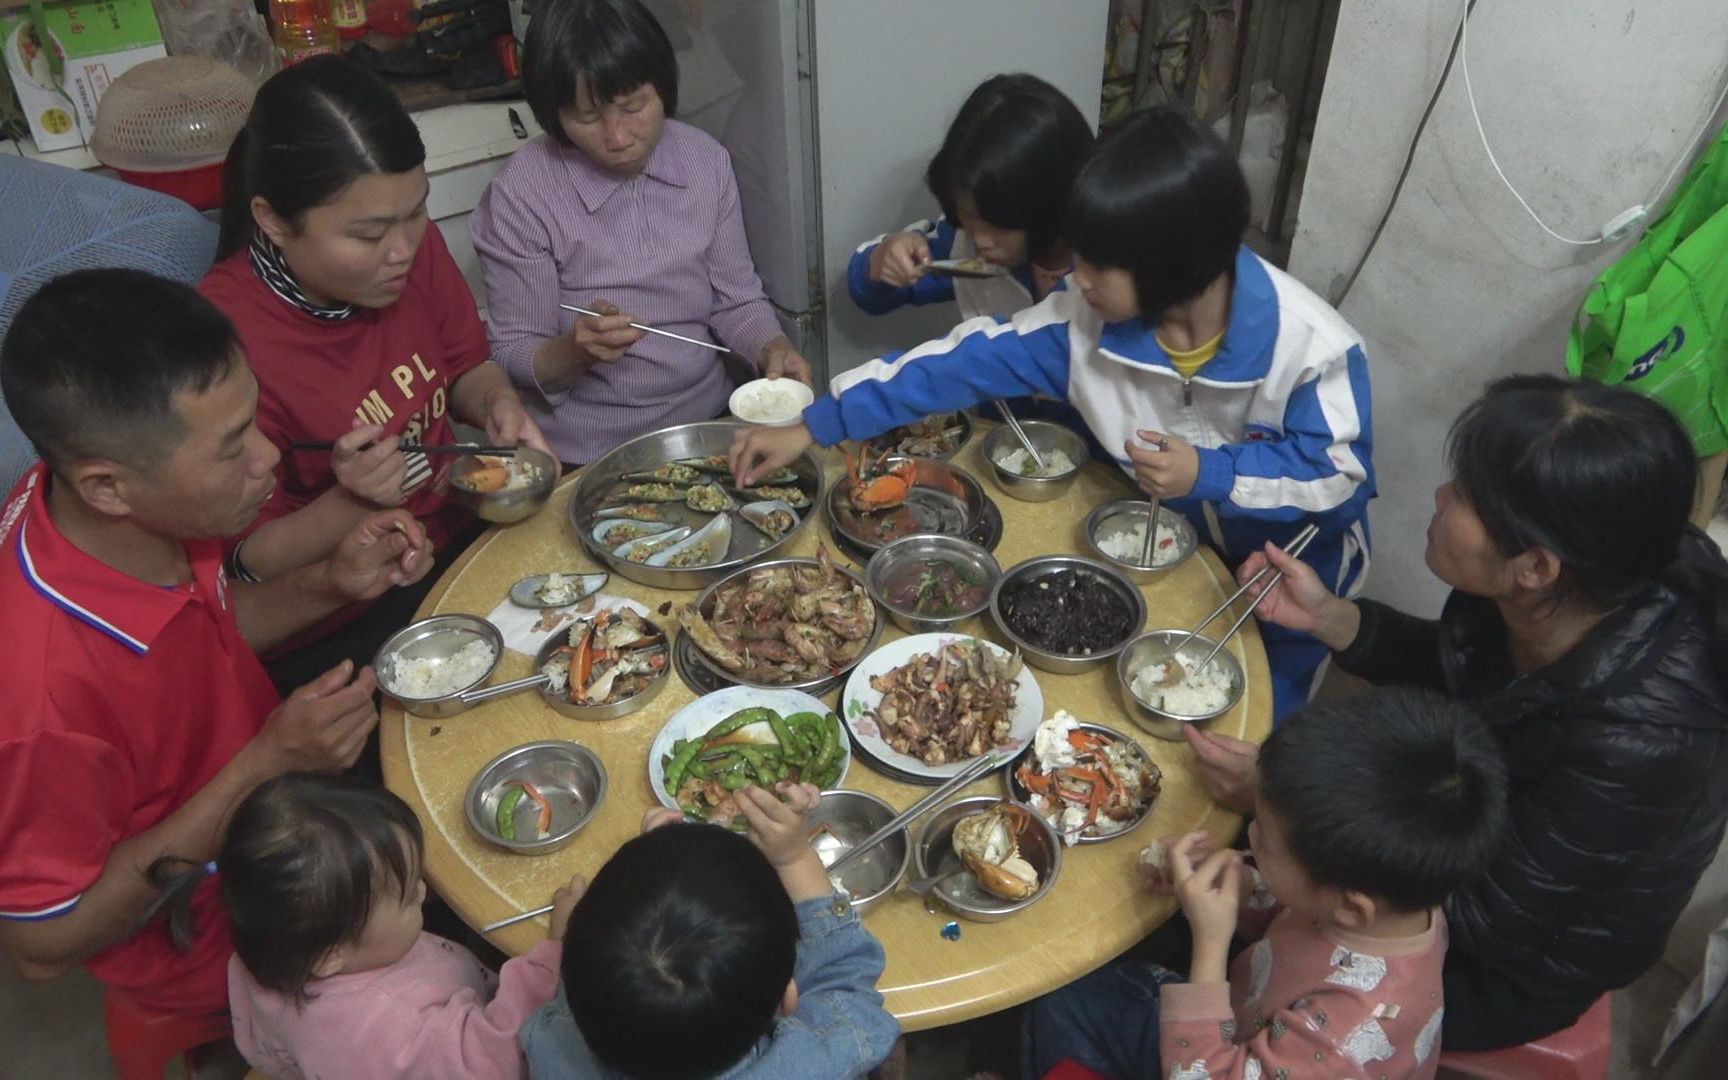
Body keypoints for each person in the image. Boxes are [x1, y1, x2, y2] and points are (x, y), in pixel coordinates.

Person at [736, 106, 1373, 720]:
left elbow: (1339, 477)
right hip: (1165, 556)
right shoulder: (1080, 321)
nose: (1075, 278)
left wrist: (1213, 473)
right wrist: (813, 423)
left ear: (1170, 264)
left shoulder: (1312, 346)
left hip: (1294, 577)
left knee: (1271, 736)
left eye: (1095, 264)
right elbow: (954, 364)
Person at [1187, 374, 1728, 1051]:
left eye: (1466, 496)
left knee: (1205, 900)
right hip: (1443, 843)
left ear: (1534, 566)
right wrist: (1335, 619)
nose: (1441, 498)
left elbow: (1482, 916)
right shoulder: (1573, 579)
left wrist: (1290, 809)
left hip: (1497, 967)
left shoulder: (1643, 745)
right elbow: (1467, 672)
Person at [0, 269, 430, 1022]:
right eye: (233, 450)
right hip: (220, 926)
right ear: (106, 487)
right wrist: (267, 763)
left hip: (284, 796)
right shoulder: (37, 701)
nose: (267, 459)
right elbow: (43, 946)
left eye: (254, 423)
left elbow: (204, 640)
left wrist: (330, 583)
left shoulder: (128, 510)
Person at [201, 55, 548, 691]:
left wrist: (499, 403)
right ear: (274, 219)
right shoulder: (223, 345)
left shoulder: (407, 251)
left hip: (452, 547)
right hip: (340, 621)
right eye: (367, 235)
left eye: (415, 212)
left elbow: (464, 364)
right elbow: (246, 564)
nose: (403, 250)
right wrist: (350, 502)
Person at [1022, 689, 1508, 1080]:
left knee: (1059, 1002)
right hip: (1245, 1020)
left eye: (1268, 843)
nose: (1249, 834)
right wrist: (1239, 883)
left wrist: (1210, 942)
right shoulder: (1397, 899)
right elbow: (1300, 905)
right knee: (1098, 982)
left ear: (1351, 908)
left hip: (1218, 1062)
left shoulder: (1345, 1041)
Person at [470, 0, 814, 467]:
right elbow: (512, 349)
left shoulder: (705, 162)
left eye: (634, 107)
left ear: (664, 87)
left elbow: (736, 299)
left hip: (705, 424)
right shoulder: (523, 193)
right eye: (587, 117)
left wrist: (771, 347)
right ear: (553, 113)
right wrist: (574, 352)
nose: (617, 137)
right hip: (586, 450)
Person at [142, 773, 578, 1079]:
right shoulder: (391, 1029)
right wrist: (551, 958)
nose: (425, 893)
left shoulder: (270, 948)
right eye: (408, 896)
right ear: (330, 955)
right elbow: (493, 1063)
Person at [520, 785, 901, 1078]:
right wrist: (795, 859)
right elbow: (849, 988)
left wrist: (561, 942)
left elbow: (595, 988)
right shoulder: (811, 1058)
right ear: (787, 999)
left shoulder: (554, 1048)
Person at [847, 73, 1093, 322]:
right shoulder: (963, 243)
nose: (981, 241)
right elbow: (868, 293)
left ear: (1053, 200)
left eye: (1000, 223)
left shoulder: (1111, 271)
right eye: (969, 216)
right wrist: (882, 260)